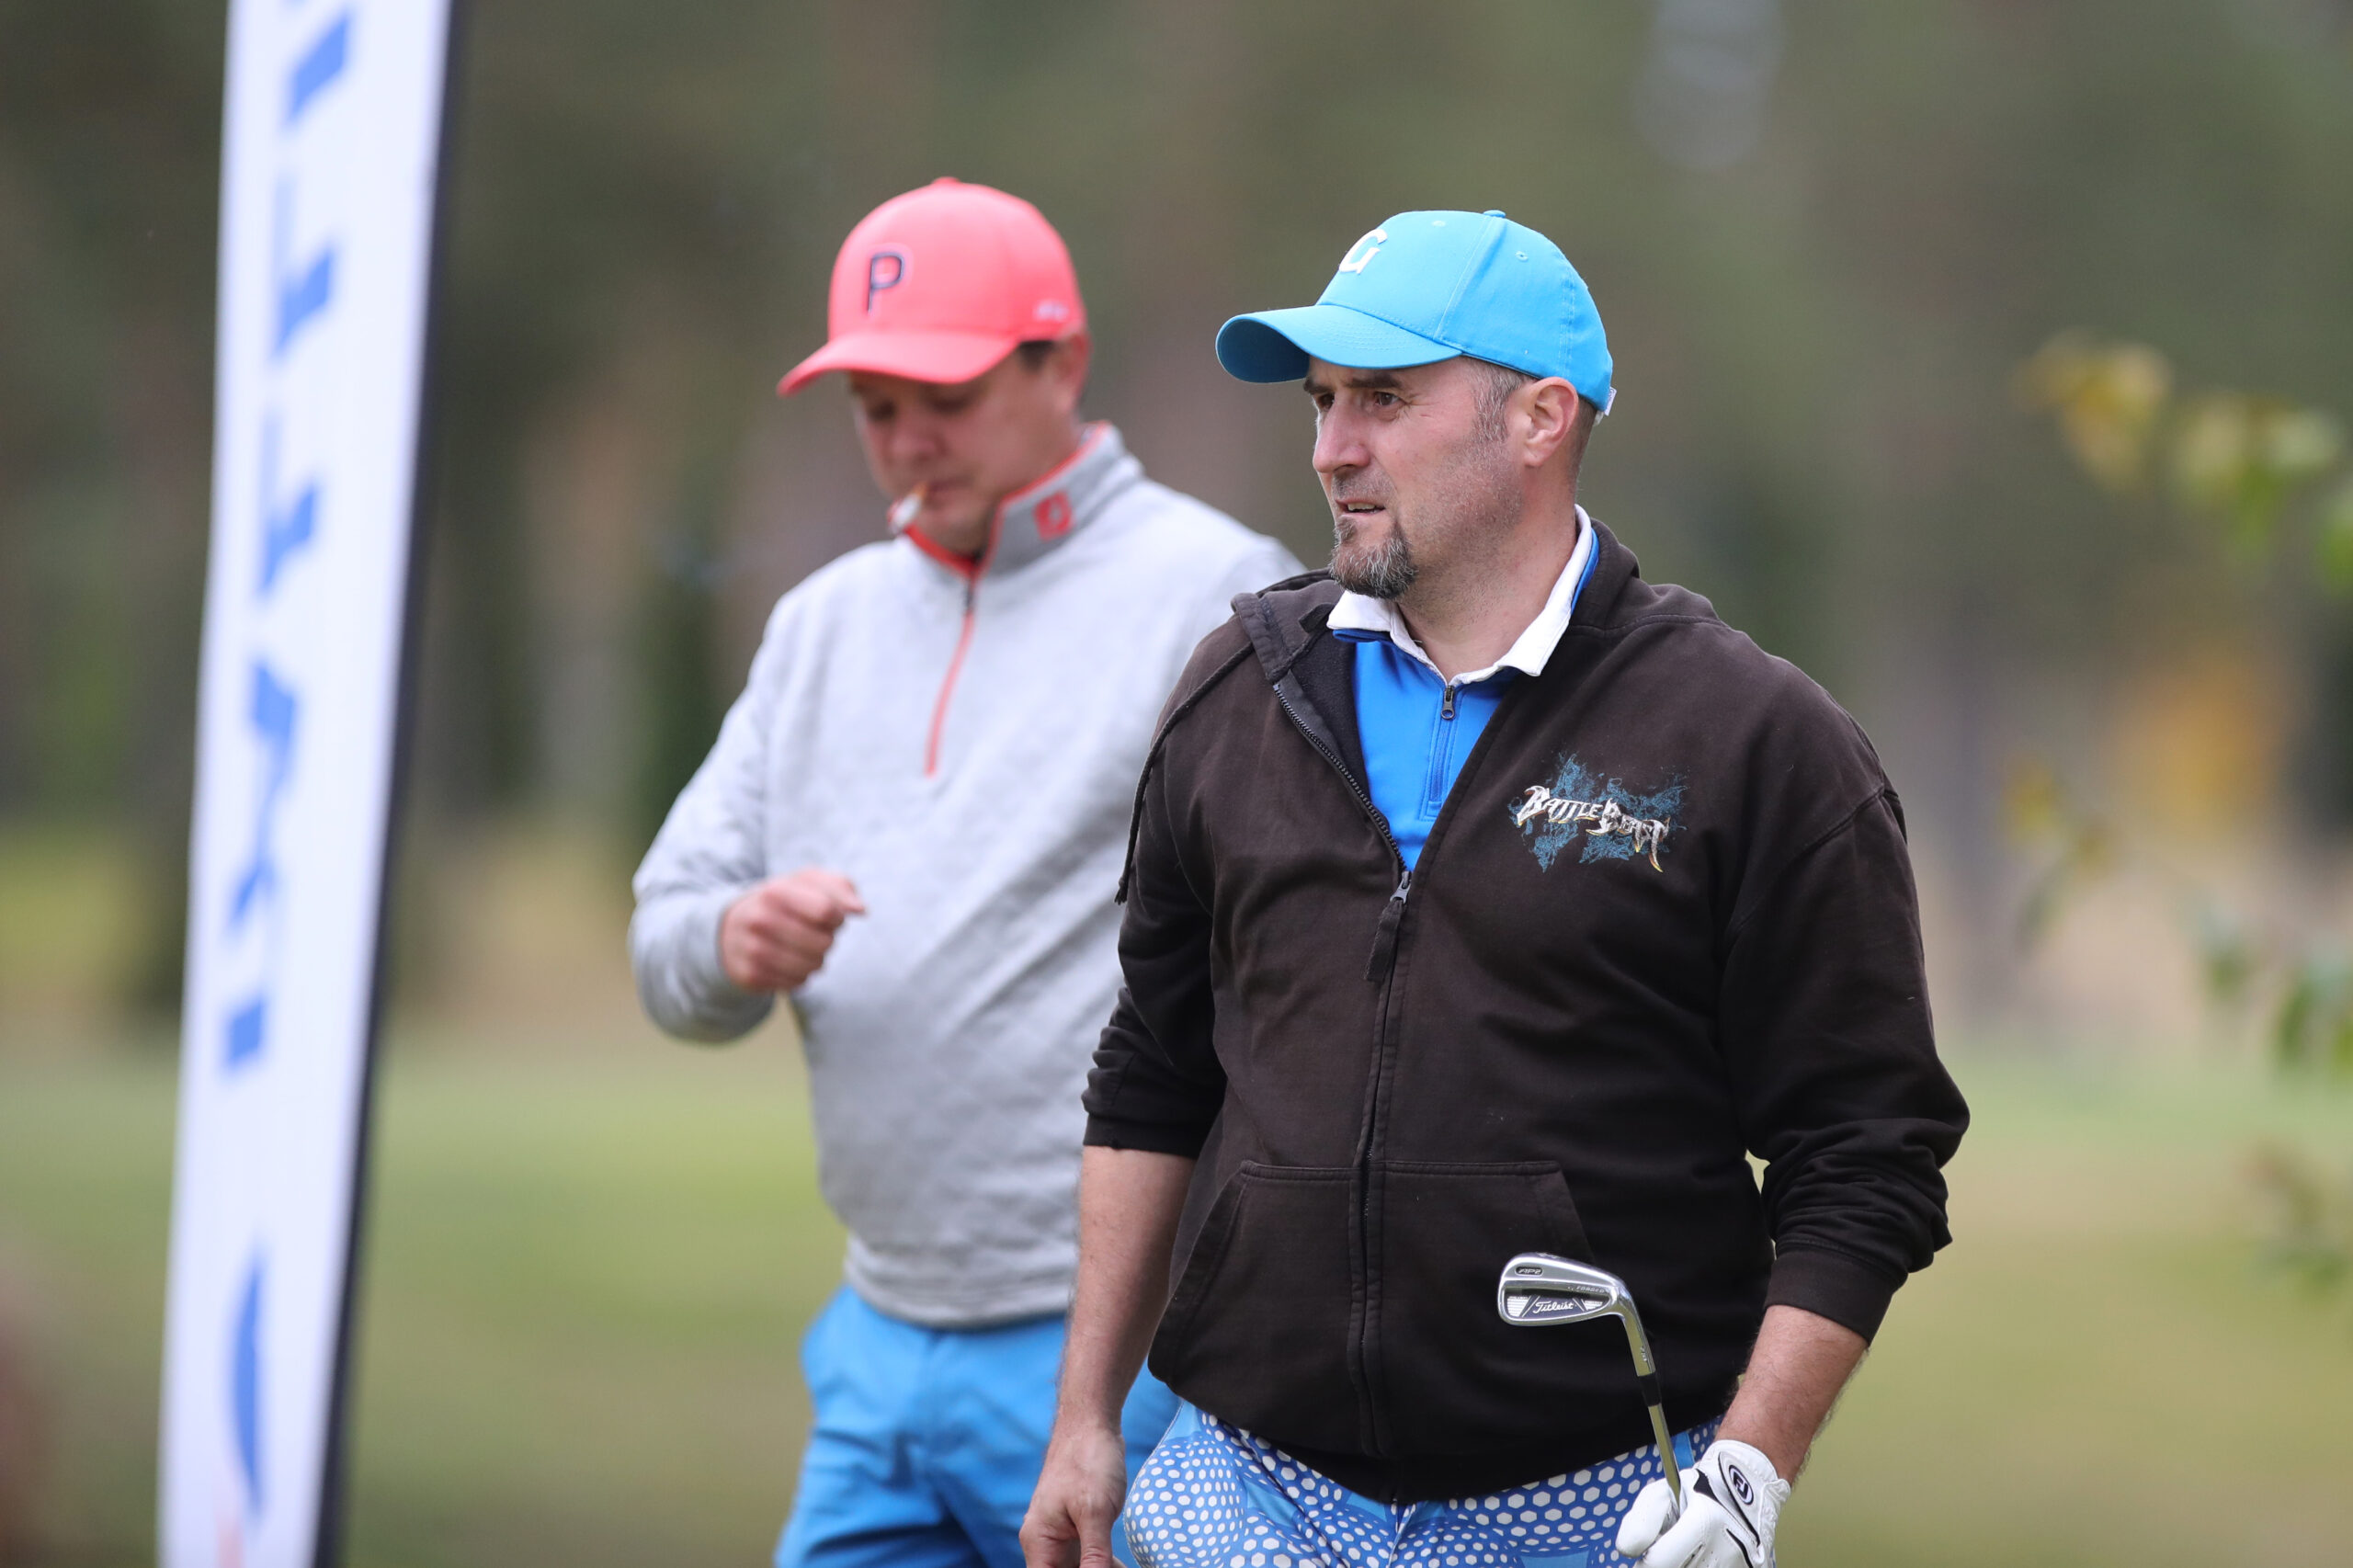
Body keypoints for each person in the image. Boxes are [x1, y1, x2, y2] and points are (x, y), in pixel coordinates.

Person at [1022, 210, 1969, 1568]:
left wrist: (1751, 1467)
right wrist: (1084, 1419)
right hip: (1239, 1494)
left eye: (1384, 399)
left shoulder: (1752, 740)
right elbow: (1151, 1076)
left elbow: (1866, 1150)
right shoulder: (1237, 689)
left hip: (1588, 1514)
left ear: (1539, 418)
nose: (1332, 448)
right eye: (1323, 402)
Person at [631, 176, 1302, 1568]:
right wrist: (731, 939)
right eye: (874, 407)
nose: (907, 439)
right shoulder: (820, 627)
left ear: (1064, 363)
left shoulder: (1215, 591)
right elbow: (666, 938)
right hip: (876, 1340)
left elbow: (1316, 952)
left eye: (945, 394)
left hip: (1121, 1351)